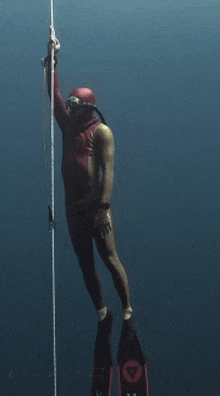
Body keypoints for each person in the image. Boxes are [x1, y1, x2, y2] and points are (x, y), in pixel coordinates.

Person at [44, 27, 133, 323]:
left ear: (88, 107)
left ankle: (126, 307)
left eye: (74, 105)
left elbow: (108, 173)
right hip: (74, 209)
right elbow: (53, 95)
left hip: (96, 209)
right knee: (85, 263)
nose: (69, 108)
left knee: (109, 258)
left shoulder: (102, 132)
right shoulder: (68, 127)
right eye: (69, 105)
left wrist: (102, 206)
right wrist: (53, 59)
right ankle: (101, 310)